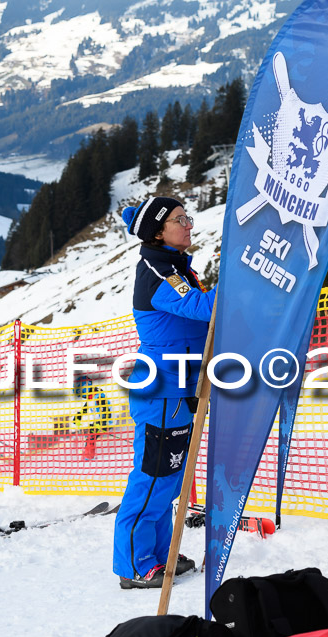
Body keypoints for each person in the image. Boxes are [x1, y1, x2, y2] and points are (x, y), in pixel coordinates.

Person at [113, 196, 216, 589]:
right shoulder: (158, 270)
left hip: (181, 388)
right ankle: (135, 566)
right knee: (153, 477)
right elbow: (202, 308)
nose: (188, 225)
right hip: (162, 391)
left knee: (170, 478)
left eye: (186, 217)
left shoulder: (174, 266)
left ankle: (158, 555)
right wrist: (242, 287)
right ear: (159, 231)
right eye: (179, 219)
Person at [73, 375, 112, 460]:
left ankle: (89, 456)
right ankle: (88, 454)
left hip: (105, 421)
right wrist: (78, 416)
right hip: (97, 421)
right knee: (90, 437)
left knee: (91, 436)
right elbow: (85, 408)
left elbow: (106, 409)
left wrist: (103, 423)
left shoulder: (98, 396)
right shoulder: (90, 397)